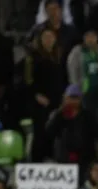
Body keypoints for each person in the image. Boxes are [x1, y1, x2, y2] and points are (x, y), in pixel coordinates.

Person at [25, 27, 68, 161]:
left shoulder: (59, 57)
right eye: (45, 37)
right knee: (40, 133)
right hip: (40, 102)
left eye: (51, 37)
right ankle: (37, 161)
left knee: (54, 132)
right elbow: (27, 80)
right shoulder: (33, 57)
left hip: (56, 102)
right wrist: (36, 95)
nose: (48, 40)